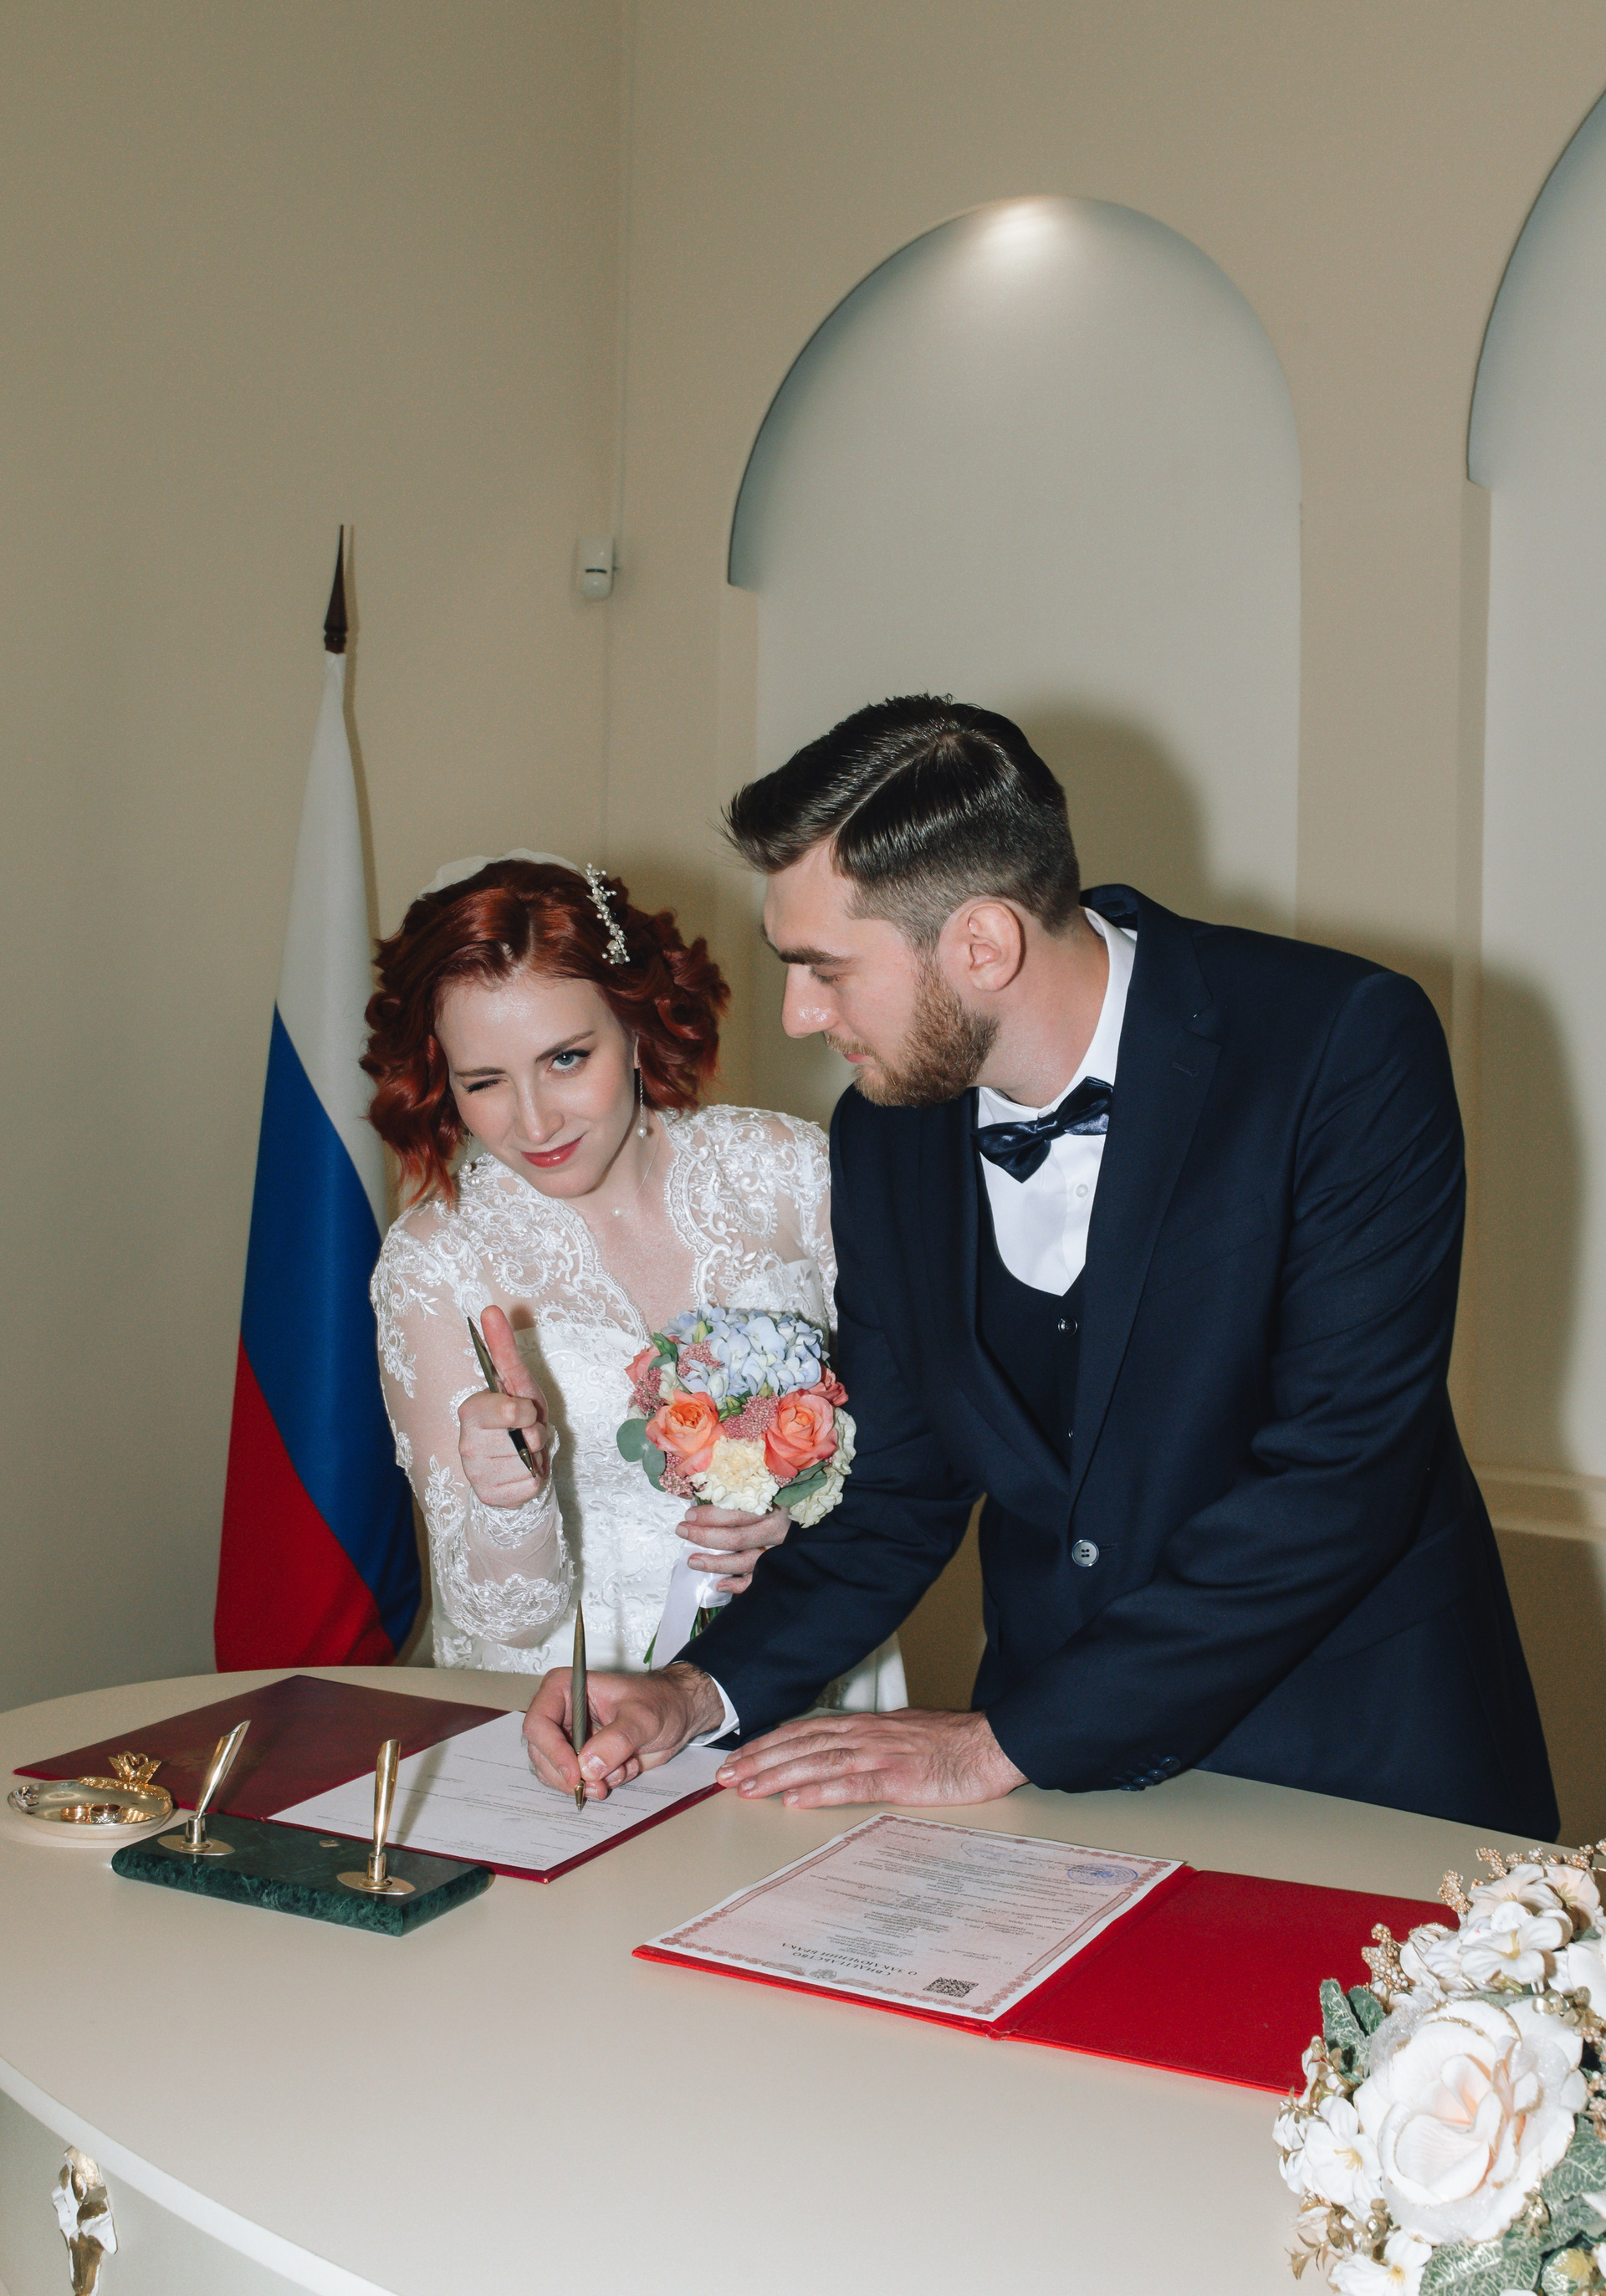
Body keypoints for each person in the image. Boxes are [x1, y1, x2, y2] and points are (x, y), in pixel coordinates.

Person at [524, 698, 1557, 1838]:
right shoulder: (884, 1135)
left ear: (983, 944)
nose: (800, 1015)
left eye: (824, 970)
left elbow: (1339, 1476)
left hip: (1356, 1762)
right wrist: (695, 1691)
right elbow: (897, 1494)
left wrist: (999, 1743)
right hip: (1051, 1792)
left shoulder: (1340, 1042)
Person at [361, 850, 905, 1708]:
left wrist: (807, 1521)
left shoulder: (787, 1174)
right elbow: (504, 1618)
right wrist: (509, 1499)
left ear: (635, 1023)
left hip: (803, 1669)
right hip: (570, 1715)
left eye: (566, 1059)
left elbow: (916, 1439)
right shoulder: (435, 1260)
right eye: (484, 1080)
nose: (535, 1120)